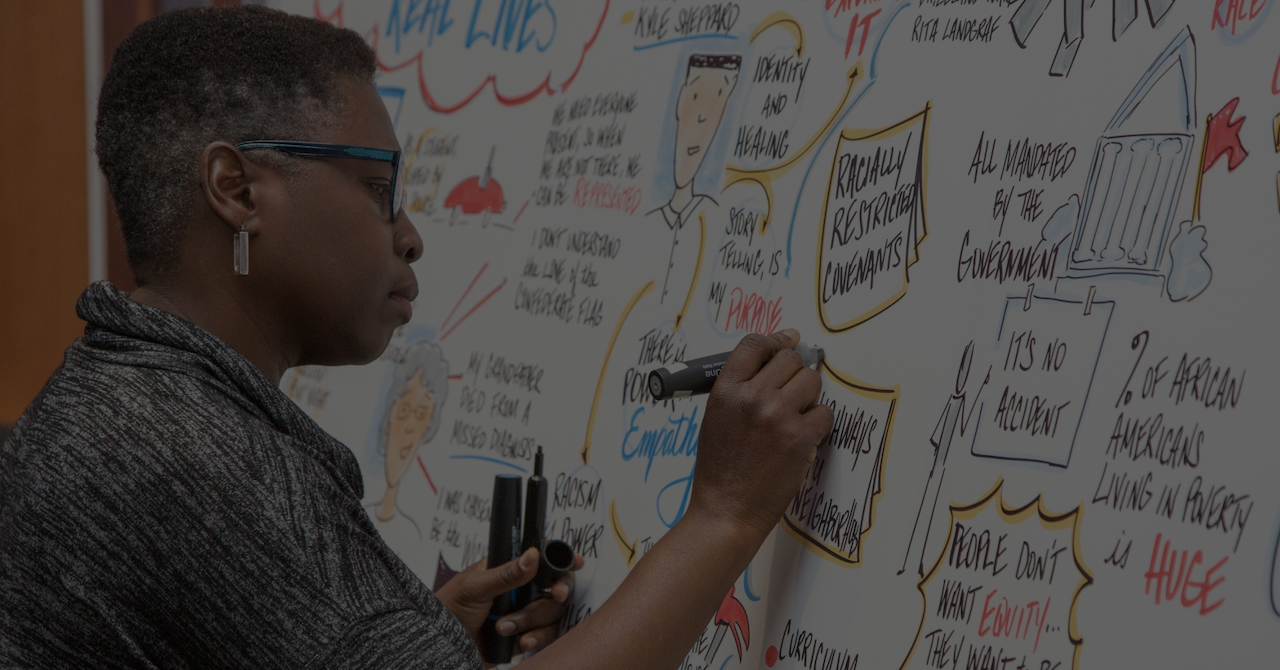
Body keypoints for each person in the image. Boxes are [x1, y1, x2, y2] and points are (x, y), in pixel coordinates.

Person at [0, 7, 833, 669]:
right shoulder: (196, 458)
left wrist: (401, 641)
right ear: (236, 190)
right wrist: (723, 514)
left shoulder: (116, 394)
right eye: (377, 188)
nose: (408, 235)